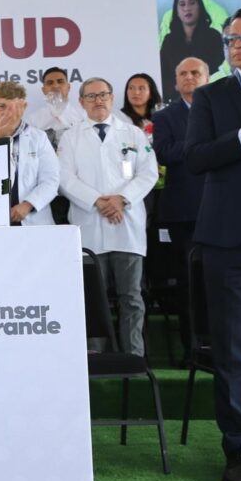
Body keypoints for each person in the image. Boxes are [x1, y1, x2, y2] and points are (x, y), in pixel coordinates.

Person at [184, 8, 241, 481]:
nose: (237, 45)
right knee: (233, 349)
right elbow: (195, 158)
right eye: (231, 40)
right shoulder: (210, 96)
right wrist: (240, 139)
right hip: (228, 240)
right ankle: (239, 447)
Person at [58, 77, 158, 357]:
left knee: (132, 297)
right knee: (93, 298)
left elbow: (148, 173)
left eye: (103, 94)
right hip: (89, 225)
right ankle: (96, 357)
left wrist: (120, 199)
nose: (98, 100)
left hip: (127, 225)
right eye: (91, 96)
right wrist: (98, 201)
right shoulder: (70, 136)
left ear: (112, 98)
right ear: (81, 102)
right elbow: (64, 178)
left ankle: (134, 357)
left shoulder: (133, 133)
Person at [153, 56, 209, 361]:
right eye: (183, 74)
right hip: (182, 213)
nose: (190, 77)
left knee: (224, 281)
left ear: (207, 78)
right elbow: (163, 153)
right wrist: (203, 146)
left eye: (195, 73)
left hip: (221, 210)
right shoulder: (165, 117)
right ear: (175, 82)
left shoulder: (220, 110)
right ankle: (193, 349)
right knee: (188, 283)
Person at [0, 81, 58, 226]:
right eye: (2, 106)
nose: (7, 113)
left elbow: (51, 180)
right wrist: (0, 140)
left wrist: (28, 204)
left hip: (33, 219)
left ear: (24, 107)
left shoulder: (39, 138)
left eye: (13, 107)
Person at [160, 0, 225, 101]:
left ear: (200, 6)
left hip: (210, 96)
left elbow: (220, 72)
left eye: (191, 3)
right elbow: (164, 74)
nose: (187, 8)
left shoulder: (213, 37)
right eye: (182, 4)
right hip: (177, 99)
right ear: (176, 11)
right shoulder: (169, 41)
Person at [24, 66, 86, 148]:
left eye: (60, 82)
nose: (55, 86)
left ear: (68, 87)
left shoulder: (83, 116)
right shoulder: (32, 120)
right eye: (50, 83)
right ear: (43, 90)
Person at [120, 73, 162, 137]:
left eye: (141, 88)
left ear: (151, 93)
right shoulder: (119, 118)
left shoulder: (160, 117)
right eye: (131, 88)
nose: (136, 92)